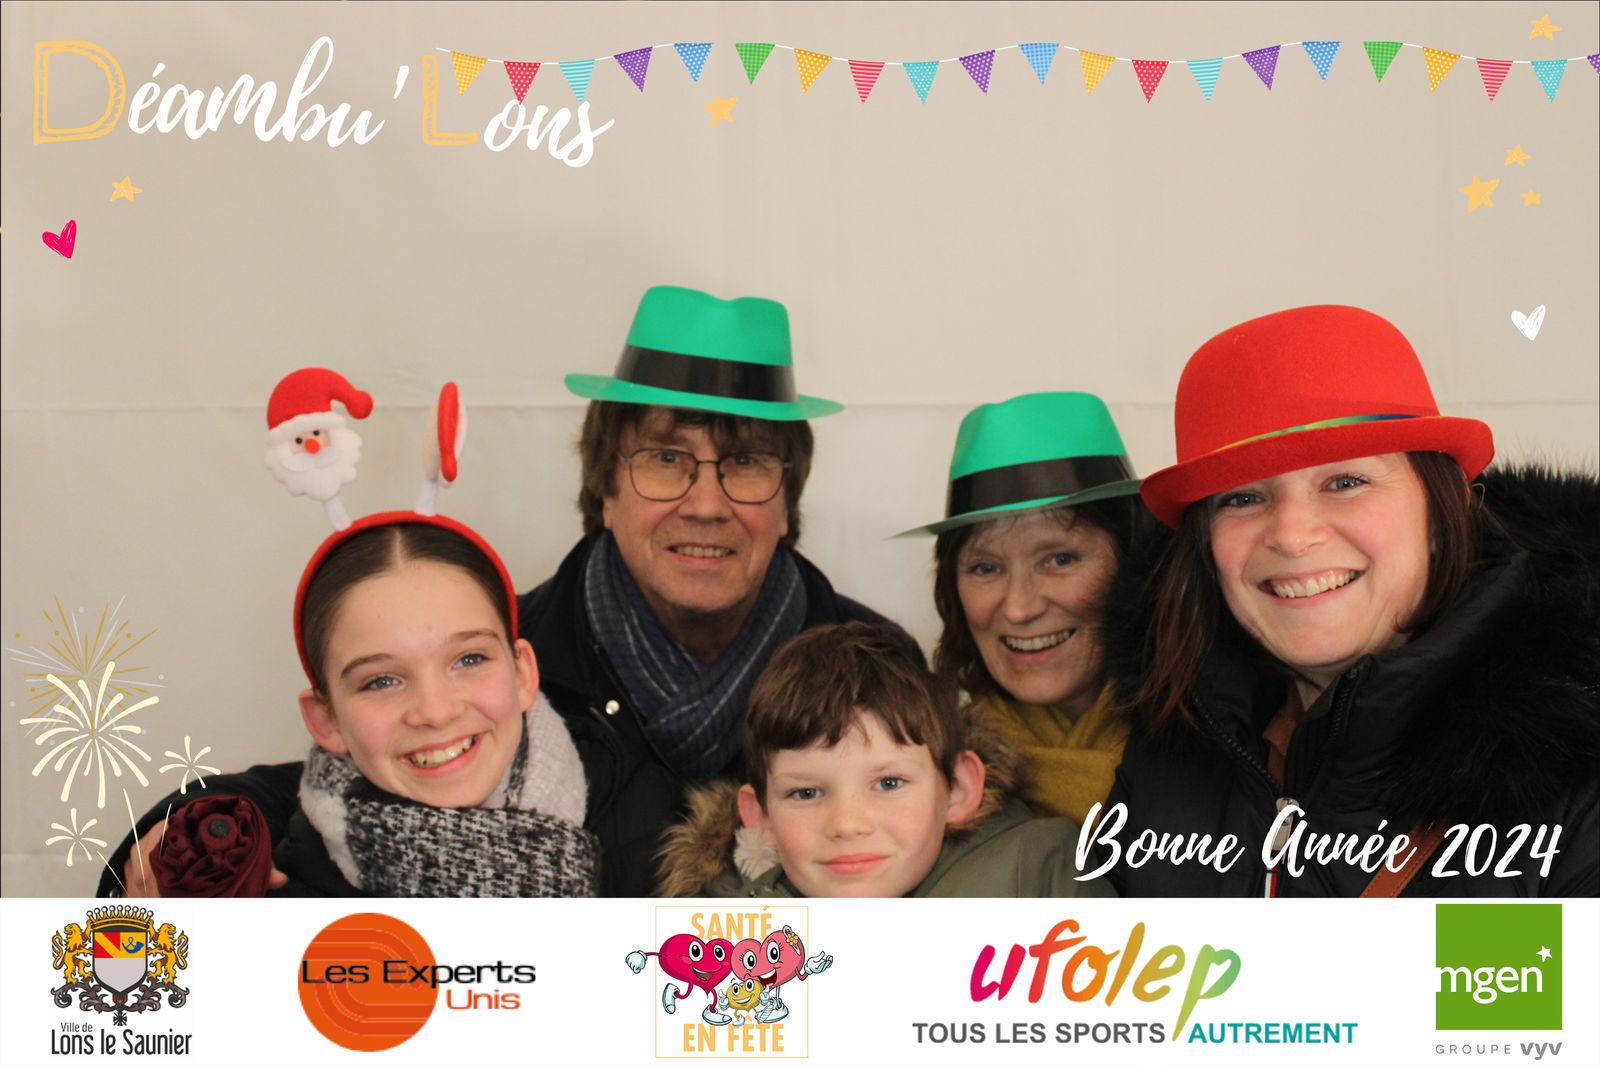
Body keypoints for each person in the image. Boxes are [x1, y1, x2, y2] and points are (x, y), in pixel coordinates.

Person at [102, 285, 905, 897]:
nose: (704, 502)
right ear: (605, 486)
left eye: (745, 462)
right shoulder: (506, 648)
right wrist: (195, 828)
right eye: (665, 459)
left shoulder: (880, 667)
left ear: (788, 496)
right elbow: (352, 770)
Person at [1102, 304, 1599, 896]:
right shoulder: (1163, 759)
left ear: (1445, 511)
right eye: (1242, 498)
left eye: (1344, 482)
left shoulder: (1581, 773)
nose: (1291, 535)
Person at [656, 622, 1110, 897]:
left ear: (957, 788)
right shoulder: (721, 944)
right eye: (806, 793)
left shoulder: (1037, 874)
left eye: (889, 784)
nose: (847, 825)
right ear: (760, 817)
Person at [274, 514, 597, 895]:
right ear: (326, 721)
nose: (436, 712)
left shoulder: (642, 824)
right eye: (381, 681)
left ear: (522, 673)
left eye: (469, 659)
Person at [901, 392, 1155, 824]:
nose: (1020, 608)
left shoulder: (1238, 744)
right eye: (986, 567)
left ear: (1135, 564)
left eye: (1059, 559)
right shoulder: (923, 784)